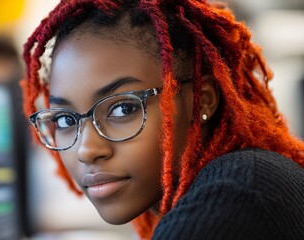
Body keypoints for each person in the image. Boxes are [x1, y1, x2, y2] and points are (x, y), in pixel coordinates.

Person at [20, 0, 304, 239]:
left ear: (200, 100)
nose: (87, 150)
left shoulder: (236, 199)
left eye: (122, 109)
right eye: (66, 120)